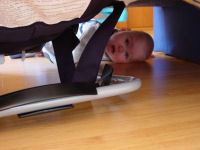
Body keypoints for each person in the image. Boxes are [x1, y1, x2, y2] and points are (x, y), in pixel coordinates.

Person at [42, 21, 154, 64]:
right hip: (53, 35)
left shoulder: (110, 55)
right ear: (123, 30)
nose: (121, 49)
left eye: (126, 55)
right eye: (126, 41)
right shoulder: (96, 31)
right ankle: (40, 47)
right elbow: (73, 56)